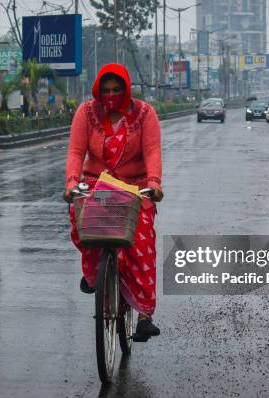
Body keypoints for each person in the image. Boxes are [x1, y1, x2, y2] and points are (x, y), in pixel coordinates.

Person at [63, 64, 164, 341]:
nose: (110, 95)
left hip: (134, 187)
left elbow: (153, 151)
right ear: (97, 90)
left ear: (127, 90)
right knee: (81, 218)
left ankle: (143, 315)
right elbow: (75, 151)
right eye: (105, 90)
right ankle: (95, 274)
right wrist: (72, 182)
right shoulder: (86, 113)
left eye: (116, 90)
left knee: (141, 239)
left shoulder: (144, 114)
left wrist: (154, 183)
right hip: (98, 184)